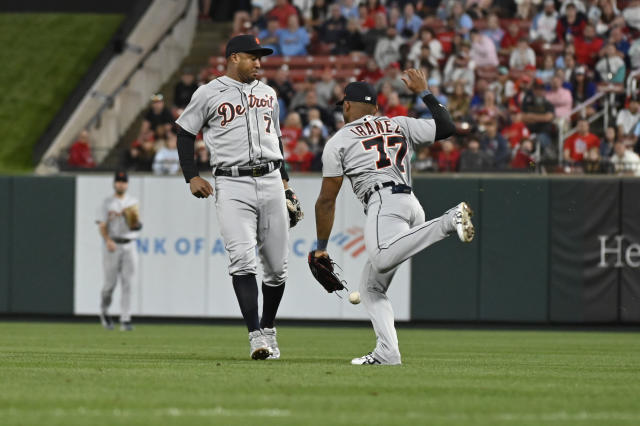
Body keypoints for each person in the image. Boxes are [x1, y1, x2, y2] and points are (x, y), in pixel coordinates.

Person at [313, 72, 474, 366]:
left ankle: (449, 221)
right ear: (375, 108)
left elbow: (326, 200)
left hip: (383, 202)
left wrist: (321, 245)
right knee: (371, 288)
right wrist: (425, 92)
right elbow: (447, 127)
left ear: (346, 107)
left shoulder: (339, 141)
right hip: (411, 205)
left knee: (383, 258)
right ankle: (388, 352)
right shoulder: (397, 123)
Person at [175, 35, 302, 360]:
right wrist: (191, 175)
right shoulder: (208, 92)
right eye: (252, 57)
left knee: (277, 268)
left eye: (260, 58)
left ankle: (269, 327)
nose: (259, 63)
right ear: (233, 58)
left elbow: (275, 139)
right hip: (232, 185)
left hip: (272, 179)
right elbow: (186, 131)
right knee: (242, 260)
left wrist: (286, 185)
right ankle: (256, 336)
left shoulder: (268, 93)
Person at [97, 171, 142, 332]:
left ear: (127, 184)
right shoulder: (107, 202)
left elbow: (136, 225)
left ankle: (125, 318)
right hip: (113, 244)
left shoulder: (133, 201)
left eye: (123, 181)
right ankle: (104, 311)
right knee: (110, 284)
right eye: (119, 181)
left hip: (130, 243)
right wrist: (107, 240)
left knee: (128, 283)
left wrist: (129, 217)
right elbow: (102, 225)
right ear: (114, 183)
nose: (121, 184)